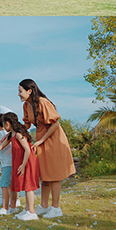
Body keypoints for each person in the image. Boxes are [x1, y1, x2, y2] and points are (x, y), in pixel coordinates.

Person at [18, 79, 75, 219]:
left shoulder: (42, 102)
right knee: (46, 174)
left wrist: (41, 140)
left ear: (29, 91)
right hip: (41, 139)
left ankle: (56, 208)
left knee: (55, 175)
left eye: (20, 91)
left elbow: (55, 124)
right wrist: (12, 131)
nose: (18, 94)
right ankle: (44, 206)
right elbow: (26, 125)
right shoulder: (26, 105)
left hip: (53, 138)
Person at [0, 112, 40, 220]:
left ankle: (32, 212)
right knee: (26, 186)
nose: (3, 127)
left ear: (8, 123)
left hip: (27, 161)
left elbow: (27, 149)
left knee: (29, 186)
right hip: (23, 161)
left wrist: (23, 165)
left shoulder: (18, 134)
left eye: (3, 124)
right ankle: (27, 210)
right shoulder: (11, 135)